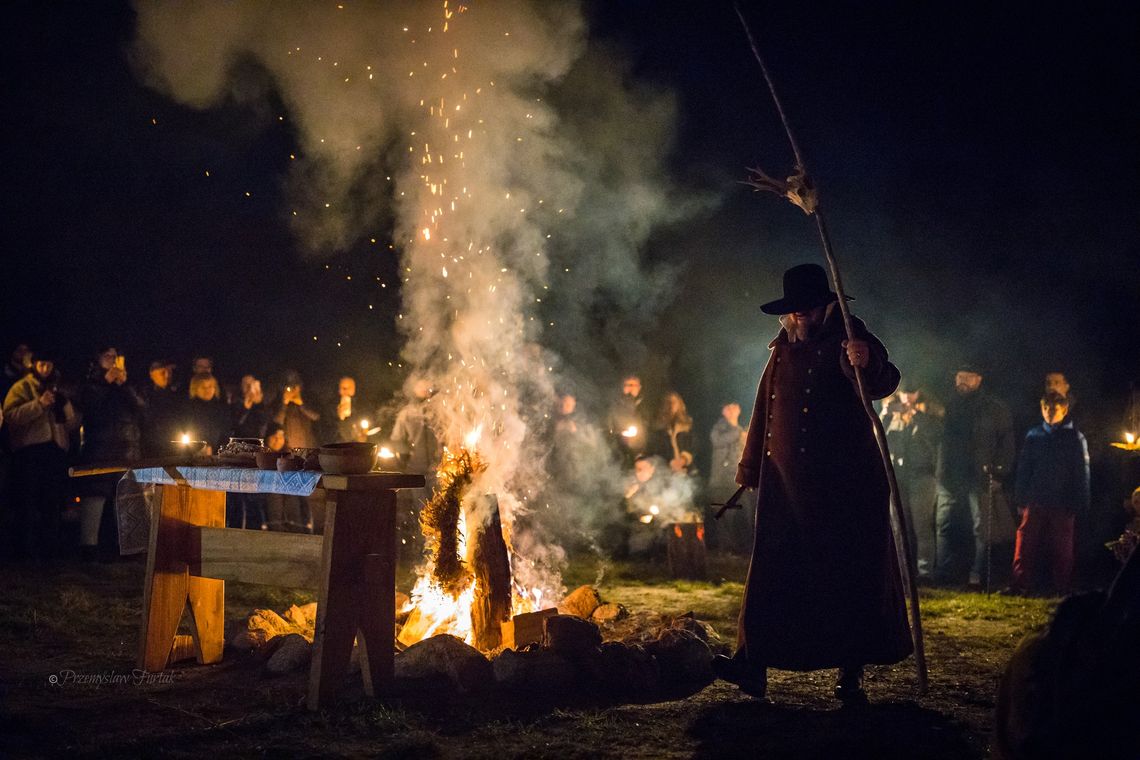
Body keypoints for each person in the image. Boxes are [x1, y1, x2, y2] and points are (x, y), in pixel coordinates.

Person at [713, 263, 912, 703]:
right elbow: (764, 409)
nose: (801, 316)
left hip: (844, 488)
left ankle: (851, 673)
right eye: (794, 310)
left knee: (846, 577)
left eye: (808, 308)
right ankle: (753, 664)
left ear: (825, 305)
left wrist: (865, 360)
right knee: (772, 575)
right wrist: (750, 467)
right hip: (787, 487)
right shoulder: (781, 349)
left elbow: (882, 380)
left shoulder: (850, 334)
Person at [934, 362, 1016, 588]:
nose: (962, 381)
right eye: (959, 376)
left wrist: (999, 473)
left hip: (979, 477)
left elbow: (1007, 443)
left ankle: (976, 576)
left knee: (982, 529)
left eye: (968, 377)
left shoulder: (994, 408)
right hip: (950, 476)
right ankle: (943, 574)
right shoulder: (949, 406)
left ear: (979, 379)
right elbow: (940, 441)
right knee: (944, 526)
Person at [1006, 392, 1090, 595]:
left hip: (1063, 502)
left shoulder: (1075, 437)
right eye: (1045, 408)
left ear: (1064, 410)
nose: (1048, 413)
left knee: (1061, 548)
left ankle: (1061, 587)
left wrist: (1080, 501)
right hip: (1035, 499)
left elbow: (1081, 472)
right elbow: (1024, 467)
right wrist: (1020, 497)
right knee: (1025, 543)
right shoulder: (1034, 435)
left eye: (1053, 409)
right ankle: (1020, 584)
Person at [2, 350, 78, 562]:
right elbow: (11, 416)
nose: (45, 369)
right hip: (30, 452)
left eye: (49, 365)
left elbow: (71, 424)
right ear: (34, 365)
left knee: (51, 502)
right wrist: (39, 404)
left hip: (54, 451)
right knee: (27, 502)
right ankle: (24, 552)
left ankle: (50, 551)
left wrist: (65, 407)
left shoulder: (57, 387)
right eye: (41, 364)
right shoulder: (22, 387)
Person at [77, 346, 145, 560]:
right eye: (108, 356)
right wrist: (105, 382)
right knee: (95, 498)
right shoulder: (91, 384)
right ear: (98, 359)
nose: (113, 360)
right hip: (99, 450)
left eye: (116, 357)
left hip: (126, 451)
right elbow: (89, 408)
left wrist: (124, 386)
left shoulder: (127, 386)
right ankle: (89, 548)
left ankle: (127, 550)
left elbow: (142, 409)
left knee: (126, 499)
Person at [882, 381, 943, 579]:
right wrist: (886, 414)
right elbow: (878, 435)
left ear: (919, 394)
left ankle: (925, 572)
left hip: (922, 476)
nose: (907, 398)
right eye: (904, 394)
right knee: (899, 526)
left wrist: (917, 415)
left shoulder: (930, 413)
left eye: (912, 394)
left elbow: (935, 435)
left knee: (922, 525)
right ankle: (902, 572)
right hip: (897, 476)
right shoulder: (891, 413)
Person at [709, 401, 753, 554]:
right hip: (721, 480)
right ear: (723, 411)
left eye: (734, 406)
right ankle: (726, 550)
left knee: (745, 513)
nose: (732, 410)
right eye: (728, 407)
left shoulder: (742, 430)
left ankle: (744, 548)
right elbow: (717, 441)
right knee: (725, 515)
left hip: (738, 480)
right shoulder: (719, 428)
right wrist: (739, 434)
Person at [262, 423, 305, 532]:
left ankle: (296, 527)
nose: (277, 440)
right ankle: (276, 527)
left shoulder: (289, 454)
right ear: (267, 438)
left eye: (280, 437)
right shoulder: (261, 454)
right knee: (274, 494)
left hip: (286, 488)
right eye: (274, 437)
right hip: (267, 488)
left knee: (293, 493)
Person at [607, 374, 650, 467]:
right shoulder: (615, 405)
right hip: (619, 453)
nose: (630, 388)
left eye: (633, 385)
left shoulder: (646, 405)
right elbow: (609, 428)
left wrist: (642, 453)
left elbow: (649, 429)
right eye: (627, 385)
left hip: (641, 454)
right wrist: (620, 433)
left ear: (639, 387)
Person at [184, 372, 231, 454]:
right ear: (195, 389)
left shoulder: (220, 408)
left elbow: (225, 430)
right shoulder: (189, 408)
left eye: (210, 386)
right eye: (203, 387)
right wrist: (200, 447)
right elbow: (189, 430)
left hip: (218, 453)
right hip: (195, 453)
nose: (207, 390)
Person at [650, 391, 695, 475]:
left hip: (686, 470)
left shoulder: (687, 424)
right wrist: (669, 462)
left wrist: (684, 459)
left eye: (674, 402)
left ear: (679, 404)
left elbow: (694, 444)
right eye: (668, 402)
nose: (671, 405)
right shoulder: (659, 426)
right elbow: (655, 449)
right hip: (665, 471)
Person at [330, 375, 367, 443]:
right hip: (337, 442)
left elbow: (366, 420)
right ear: (338, 389)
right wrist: (338, 415)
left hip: (356, 442)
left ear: (354, 389)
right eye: (343, 388)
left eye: (349, 387)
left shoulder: (361, 404)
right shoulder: (332, 404)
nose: (346, 390)